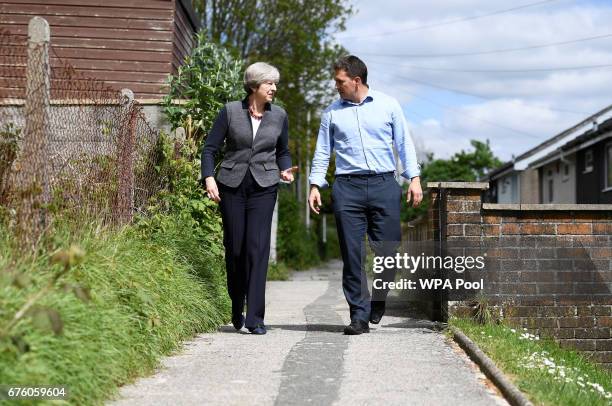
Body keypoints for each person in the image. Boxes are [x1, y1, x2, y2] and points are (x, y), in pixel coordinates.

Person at [308, 55, 423, 335]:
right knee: (352, 254)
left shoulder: (388, 105)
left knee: (388, 252)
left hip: (384, 184)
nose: (336, 86)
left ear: (356, 81)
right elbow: (323, 151)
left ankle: (378, 299)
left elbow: (403, 143)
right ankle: (358, 315)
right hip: (347, 187)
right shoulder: (332, 113)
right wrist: (314, 184)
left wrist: (414, 178)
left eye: (340, 81)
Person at [201, 62, 297, 335]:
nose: (274, 89)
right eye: (270, 84)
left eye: (275, 84)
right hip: (231, 185)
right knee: (235, 249)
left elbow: (283, 151)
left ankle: (255, 317)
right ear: (255, 85)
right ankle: (236, 305)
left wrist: (285, 169)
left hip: (265, 186)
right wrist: (209, 178)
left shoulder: (279, 116)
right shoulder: (230, 111)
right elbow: (209, 149)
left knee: (257, 249)